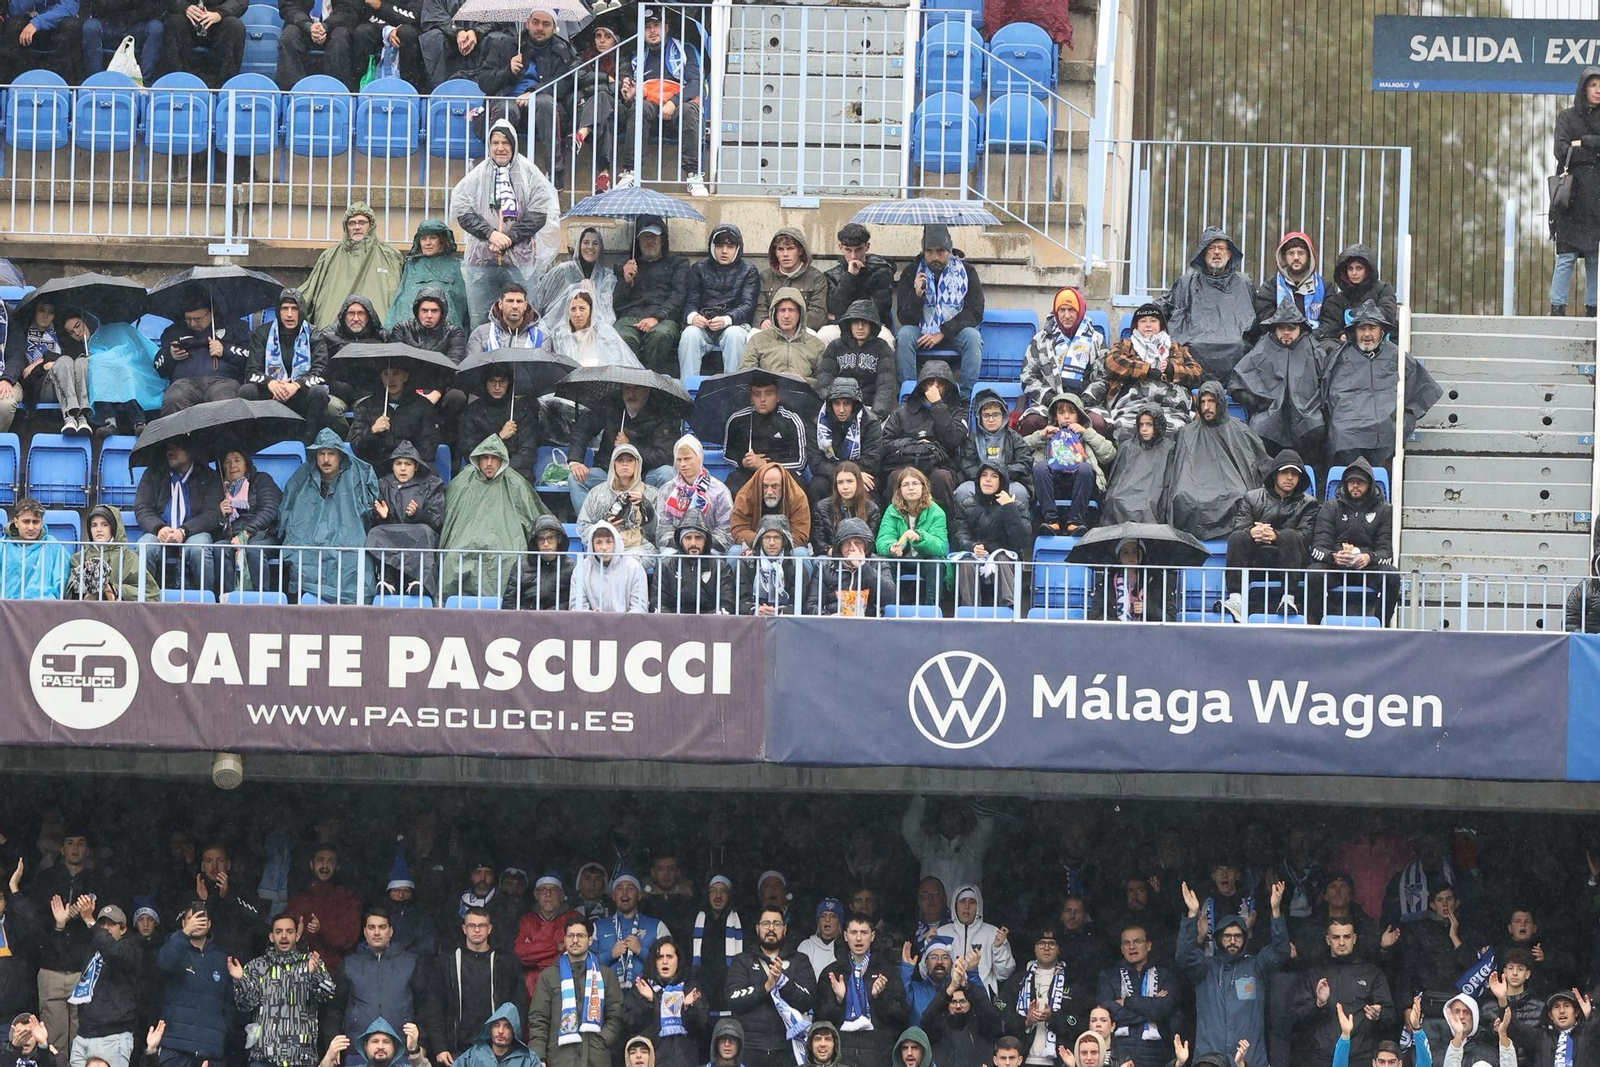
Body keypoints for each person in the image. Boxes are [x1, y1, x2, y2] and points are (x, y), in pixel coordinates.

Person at [450, 121, 562, 328]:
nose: (500, 148)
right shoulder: (478, 174)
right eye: (495, 143)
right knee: (481, 321)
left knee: (525, 319)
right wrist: (491, 234)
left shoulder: (529, 173)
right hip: (482, 261)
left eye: (505, 143)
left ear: (514, 145)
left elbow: (540, 213)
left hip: (521, 262)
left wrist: (509, 239)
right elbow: (462, 210)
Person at [1319, 301, 1442, 470]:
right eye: (1362, 329)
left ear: (1381, 331)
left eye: (1372, 328)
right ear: (1354, 332)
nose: (1367, 334)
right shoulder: (1339, 358)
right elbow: (1325, 396)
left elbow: (1424, 390)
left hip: (1385, 436)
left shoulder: (1397, 356)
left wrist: (1405, 420)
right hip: (1346, 438)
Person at [1176, 881, 1288, 1067]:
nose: (1232, 941)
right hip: (1210, 1059)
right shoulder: (1205, 968)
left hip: (1249, 1058)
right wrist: (1191, 915)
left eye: (1238, 936)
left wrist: (1275, 911)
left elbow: (1280, 951)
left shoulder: (1256, 966)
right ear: (1219, 938)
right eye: (1227, 936)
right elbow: (1184, 956)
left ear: (1245, 939)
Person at [279, 428, 379, 605]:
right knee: (300, 556)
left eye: (331, 454)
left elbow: (369, 511)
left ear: (340, 456)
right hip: (309, 539)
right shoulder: (303, 476)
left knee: (354, 561)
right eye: (321, 454)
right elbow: (289, 510)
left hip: (349, 538)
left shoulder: (358, 474)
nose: (326, 459)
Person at [478, 5, 577, 183]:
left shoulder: (561, 50)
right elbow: (484, 82)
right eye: (536, 22)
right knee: (506, 109)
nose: (540, 28)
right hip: (508, 102)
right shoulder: (506, 45)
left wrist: (534, 91)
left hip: (542, 108)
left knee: (546, 103)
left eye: (546, 24)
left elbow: (565, 83)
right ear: (527, 23)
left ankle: (555, 172)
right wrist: (507, 70)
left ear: (554, 28)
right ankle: (499, 172)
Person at [439, 435, 546, 599]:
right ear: (477, 460)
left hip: (507, 542)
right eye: (485, 458)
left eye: (494, 458)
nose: (489, 463)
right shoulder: (461, 482)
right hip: (464, 541)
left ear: (502, 460)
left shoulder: (516, 484)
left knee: (511, 558)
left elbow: (536, 518)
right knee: (453, 558)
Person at [1160, 382, 1269, 542]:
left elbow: (1257, 464)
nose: (1206, 407)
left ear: (1220, 403)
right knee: (1183, 496)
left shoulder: (1239, 429)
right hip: (1195, 486)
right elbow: (1181, 472)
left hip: (1233, 486)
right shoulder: (1187, 433)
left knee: (1240, 495)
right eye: (1203, 402)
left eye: (1211, 401)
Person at [1219, 450, 1318, 623]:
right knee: (1237, 537)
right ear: (1275, 475)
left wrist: (1275, 536)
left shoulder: (1309, 503)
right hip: (1257, 560)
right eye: (1285, 473)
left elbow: (1306, 537)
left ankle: (1289, 599)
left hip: (1290, 560)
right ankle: (1236, 599)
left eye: (1294, 474)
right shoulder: (1252, 497)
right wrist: (1251, 532)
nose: (1290, 478)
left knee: (1290, 535)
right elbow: (1239, 527)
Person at [616, 7, 706, 195]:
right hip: (650, 111)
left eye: (657, 25)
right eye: (648, 27)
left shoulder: (685, 49)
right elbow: (630, 93)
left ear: (666, 28)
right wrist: (630, 96)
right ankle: (630, 173)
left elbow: (695, 83)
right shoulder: (636, 55)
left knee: (689, 110)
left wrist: (673, 102)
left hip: (678, 110)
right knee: (639, 107)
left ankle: (693, 175)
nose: (653, 31)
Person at [231, 914, 337, 1067]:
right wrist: (241, 980)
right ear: (271, 936)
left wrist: (315, 974)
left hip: (301, 1058)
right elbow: (245, 1006)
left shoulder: (311, 963)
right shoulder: (256, 966)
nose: (284, 936)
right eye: (279, 931)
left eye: (289, 931)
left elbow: (328, 995)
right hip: (263, 1058)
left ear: (297, 935)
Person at [1081, 304, 1203, 437]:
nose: (1148, 325)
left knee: (1178, 430)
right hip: (1131, 405)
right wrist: (1146, 370)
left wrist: (1173, 369)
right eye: (1143, 321)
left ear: (1161, 325)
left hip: (1171, 407)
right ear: (1136, 326)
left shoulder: (1176, 348)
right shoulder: (1125, 345)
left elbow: (1197, 373)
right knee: (1123, 428)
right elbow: (1112, 362)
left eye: (1153, 321)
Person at [421, 907, 528, 1056]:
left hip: (497, 1048)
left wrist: (513, 1043)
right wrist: (440, 1047)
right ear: (464, 929)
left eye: (481, 925)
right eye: (472, 926)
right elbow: (435, 1008)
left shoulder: (507, 962)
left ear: (489, 929)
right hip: (456, 1050)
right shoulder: (446, 963)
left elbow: (519, 1006)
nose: (477, 930)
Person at [1228, 300, 1326, 461]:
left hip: (1308, 425)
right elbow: (1237, 384)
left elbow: (1326, 384)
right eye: (1282, 327)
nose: (1286, 332)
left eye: (1291, 328)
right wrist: (1258, 404)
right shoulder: (1262, 348)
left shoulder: (1314, 350)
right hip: (1268, 424)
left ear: (1300, 328)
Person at [1306, 459, 1400, 626]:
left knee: (1391, 575)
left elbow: (1387, 551)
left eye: (1360, 482)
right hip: (1336, 567)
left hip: (1369, 569)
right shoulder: (1330, 507)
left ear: (1370, 485)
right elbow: (1318, 546)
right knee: (1314, 573)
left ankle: (1382, 625)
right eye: (1351, 482)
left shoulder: (1384, 510)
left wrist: (1369, 557)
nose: (1355, 485)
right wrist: (1333, 557)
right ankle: (1317, 624)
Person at [894, 225, 985, 396]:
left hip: (954, 332)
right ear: (923, 251)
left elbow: (975, 312)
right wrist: (917, 295)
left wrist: (943, 332)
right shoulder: (911, 271)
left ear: (949, 250)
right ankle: (908, 394)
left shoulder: (966, 271)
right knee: (905, 335)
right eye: (929, 251)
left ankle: (966, 398)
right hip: (921, 331)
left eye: (941, 251)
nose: (935, 257)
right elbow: (904, 318)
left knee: (973, 338)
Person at [1291, 917, 1394, 1067]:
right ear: (1327, 940)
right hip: (1322, 1058)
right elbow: (1296, 1019)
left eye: (1346, 937)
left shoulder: (1372, 973)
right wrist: (1318, 1004)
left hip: (1361, 1058)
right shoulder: (1314, 974)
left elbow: (1390, 1017)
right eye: (1335, 937)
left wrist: (1378, 1014)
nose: (1341, 942)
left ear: (1354, 939)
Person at [244, 290, 341, 444]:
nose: (289, 314)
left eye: (294, 309)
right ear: (278, 311)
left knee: (319, 392)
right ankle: (252, 446)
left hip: (300, 394)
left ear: (301, 311)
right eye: (285, 308)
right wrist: (271, 382)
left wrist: (297, 385)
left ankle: (307, 446)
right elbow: (251, 371)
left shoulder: (314, 334)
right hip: (271, 394)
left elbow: (322, 372)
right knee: (247, 391)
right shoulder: (262, 333)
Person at [1161, 227, 1256, 383]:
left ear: (1229, 254)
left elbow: (1253, 320)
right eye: (1211, 248)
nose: (1216, 252)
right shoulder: (1187, 282)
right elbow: (1166, 305)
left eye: (1221, 248)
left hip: (1235, 344)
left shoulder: (1244, 283)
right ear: (1203, 253)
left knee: (1241, 347)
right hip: (1195, 343)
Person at [527, 916, 623, 1067]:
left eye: (581, 935)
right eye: (570, 935)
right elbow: (539, 1020)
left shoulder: (606, 975)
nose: (575, 940)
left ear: (590, 940)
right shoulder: (549, 976)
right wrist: (539, 1057)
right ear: (564, 940)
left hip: (596, 1058)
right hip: (559, 1059)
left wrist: (602, 1039)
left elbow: (616, 1015)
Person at [724, 907, 815, 1067]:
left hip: (788, 1050)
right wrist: (765, 987)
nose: (771, 928)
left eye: (777, 924)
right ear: (757, 928)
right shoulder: (742, 960)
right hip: (749, 1050)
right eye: (766, 923)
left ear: (785, 929)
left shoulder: (799, 960)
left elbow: (808, 1000)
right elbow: (733, 1000)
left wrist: (783, 982)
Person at [566, 382, 678, 511]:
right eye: (627, 389)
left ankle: (658, 525)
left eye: (637, 388)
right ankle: (590, 527)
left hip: (644, 475)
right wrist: (575, 461)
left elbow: (665, 455)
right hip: (609, 473)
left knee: (668, 474)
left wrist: (630, 446)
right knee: (575, 478)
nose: (631, 394)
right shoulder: (611, 403)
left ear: (647, 390)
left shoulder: (660, 411)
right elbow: (582, 429)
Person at [814, 914, 907, 1067]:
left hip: (878, 1058)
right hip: (841, 1059)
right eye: (853, 932)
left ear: (872, 936)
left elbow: (901, 1017)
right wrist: (840, 1001)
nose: (858, 938)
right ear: (845, 936)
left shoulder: (887, 972)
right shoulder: (832, 973)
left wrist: (880, 998)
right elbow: (821, 1021)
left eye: (863, 933)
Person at [133, 438, 223, 592]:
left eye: (177, 446)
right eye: (168, 447)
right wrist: (159, 528)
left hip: (194, 533)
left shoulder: (209, 476)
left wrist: (184, 531)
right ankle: (142, 599)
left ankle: (206, 603)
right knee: (145, 546)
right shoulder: (153, 473)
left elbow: (212, 514)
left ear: (191, 451)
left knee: (198, 549)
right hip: (160, 533)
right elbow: (142, 508)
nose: (171, 451)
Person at [1025, 392, 1115, 537]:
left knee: (1085, 468)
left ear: (1079, 416)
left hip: (1082, 485)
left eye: (1071, 412)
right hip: (1054, 485)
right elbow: (1019, 449)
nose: (1066, 416)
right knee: (1040, 467)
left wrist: (1087, 433)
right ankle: (1051, 521)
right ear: (1055, 416)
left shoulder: (1087, 434)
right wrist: (1040, 436)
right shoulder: (1047, 434)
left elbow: (1109, 454)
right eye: (1061, 412)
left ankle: (1076, 522)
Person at [881, 361, 967, 510]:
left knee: (942, 477)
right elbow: (885, 443)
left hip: (940, 466)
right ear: (922, 385)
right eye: (929, 382)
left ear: (947, 386)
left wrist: (937, 405)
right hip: (906, 464)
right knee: (896, 477)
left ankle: (944, 528)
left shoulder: (957, 411)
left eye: (940, 383)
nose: (934, 387)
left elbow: (954, 440)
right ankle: (894, 527)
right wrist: (916, 445)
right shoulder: (902, 412)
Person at [302, 206, 405, 330]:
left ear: (371, 225)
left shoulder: (390, 255)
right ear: (346, 227)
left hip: (379, 336)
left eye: (362, 222)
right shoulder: (330, 256)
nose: (357, 227)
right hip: (334, 333)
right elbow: (310, 289)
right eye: (352, 223)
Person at [678, 226, 761, 379]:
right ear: (712, 247)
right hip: (704, 325)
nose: (724, 251)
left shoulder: (749, 270)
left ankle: (734, 390)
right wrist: (693, 317)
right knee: (690, 334)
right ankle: (687, 390)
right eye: (720, 246)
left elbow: (748, 304)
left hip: (735, 324)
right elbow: (690, 302)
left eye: (730, 247)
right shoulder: (698, 269)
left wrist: (727, 319)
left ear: (737, 249)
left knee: (734, 335)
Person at [156, 904, 234, 1067]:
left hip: (209, 1049)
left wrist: (222, 1029)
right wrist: (184, 934)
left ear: (210, 923)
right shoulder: (173, 946)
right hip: (176, 1047)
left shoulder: (221, 958)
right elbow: (165, 963)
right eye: (192, 919)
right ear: (183, 923)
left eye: (201, 918)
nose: (197, 923)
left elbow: (229, 1004)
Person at [1020, 288, 1104, 432]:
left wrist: (1083, 401)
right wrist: (1050, 399)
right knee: (1031, 422)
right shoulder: (1041, 340)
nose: (1066, 315)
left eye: (1071, 310)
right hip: (1049, 403)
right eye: (1062, 310)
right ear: (1056, 312)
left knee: (1098, 423)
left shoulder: (1096, 339)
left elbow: (1104, 378)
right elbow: (1027, 376)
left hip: (1085, 403)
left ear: (1079, 312)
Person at [613, 217, 689, 373]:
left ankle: (649, 383)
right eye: (645, 236)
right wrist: (626, 280)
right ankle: (629, 383)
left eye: (654, 236)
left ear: (662, 239)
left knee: (660, 335)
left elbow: (678, 296)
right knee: (621, 335)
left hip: (663, 319)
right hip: (631, 317)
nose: (650, 241)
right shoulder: (627, 265)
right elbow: (617, 303)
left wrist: (657, 317)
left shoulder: (678, 264)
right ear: (638, 241)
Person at [66, 903, 138, 1067]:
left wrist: (91, 922)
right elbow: (65, 958)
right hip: (84, 1034)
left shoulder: (131, 947)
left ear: (123, 929)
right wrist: (61, 924)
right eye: (102, 924)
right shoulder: (92, 949)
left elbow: (113, 952)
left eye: (111, 924)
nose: (105, 928)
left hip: (113, 1036)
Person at [0, 300, 88, 434]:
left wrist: (46, 361)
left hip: (64, 378)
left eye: (50, 312)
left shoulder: (63, 334)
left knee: (68, 363)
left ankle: (78, 416)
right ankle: (72, 415)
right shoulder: (22, 331)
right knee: (63, 362)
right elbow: (24, 373)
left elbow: (75, 359)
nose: (45, 316)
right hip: (37, 386)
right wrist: (44, 365)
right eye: (41, 310)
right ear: (34, 312)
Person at [1097, 925, 1180, 1067]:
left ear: (1148, 945)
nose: (1131, 946)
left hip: (1157, 1057)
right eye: (1126, 943)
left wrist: (1128, 1002)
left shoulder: (1166, 975)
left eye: (1137, 941)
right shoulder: (1108, 976)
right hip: (1120, 1056)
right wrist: (1152, 1008)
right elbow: (1108, 1014)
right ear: (1121, 949)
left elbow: (1167, 1009)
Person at [68, 311, 163, 434]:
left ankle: (138, 421)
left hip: (129, 371)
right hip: (105, 375)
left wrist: (111, 358)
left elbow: (132, 351)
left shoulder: (117, 329)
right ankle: (109, 420)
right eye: (71, 332)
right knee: (97, 369)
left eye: (77, 325)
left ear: (85, 320)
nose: (77, 333)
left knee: (123, 370)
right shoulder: (80, 350)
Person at [1553, 68, 1600, 317]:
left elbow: (1573, 148)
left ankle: (1592, 309)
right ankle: (1557, 307)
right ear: (1584, 88)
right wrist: (1592, 152)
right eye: (1593, 85)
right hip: (1571, 196)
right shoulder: (1567, 117)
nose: (1598, 90)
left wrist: (1583, 142)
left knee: (1594, 255)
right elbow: (1561, 151)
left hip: (1597, 197)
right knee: (1567, 254)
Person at [951, 461, 1029, 611]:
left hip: (1006, 557)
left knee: (1001, 558)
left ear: (1002, 481)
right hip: (977, 555)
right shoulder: (967, 504)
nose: (987, 480)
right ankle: (969, 611)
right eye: (984, 475)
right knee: (966, 560)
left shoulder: (1016, 505)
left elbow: (1021, 540)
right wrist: (972, 546)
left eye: (994, 476)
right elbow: (960, 534)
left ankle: (1009, 609)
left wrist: (1009, 508)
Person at [153, 296, 249, 415]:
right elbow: (158, 367)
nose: (192, 323)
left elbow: (250, 359)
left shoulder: (235, 327)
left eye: (198, 319)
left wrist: (225, 350)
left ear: (211, 312)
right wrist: (170, 356)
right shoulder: (173, 331)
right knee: (173, 399)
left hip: (224, 382)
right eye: (188, 319)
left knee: (225, 402)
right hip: (184, 383)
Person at [622, 938, 707, 1067]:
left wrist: (687, 1008)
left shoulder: (690, 988)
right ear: (654, 962)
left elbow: (701, 1029)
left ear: (678, 960)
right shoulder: (642, 987)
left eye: (669, 956)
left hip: (684, 1062)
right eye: (660, 957)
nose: (665, 961)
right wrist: (648, 1002)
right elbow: (631, 1025)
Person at [876, 466, 950, 607]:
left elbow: (941, 547)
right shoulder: (891, 511)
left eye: (915, 483)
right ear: (899, 490)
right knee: (883, 561)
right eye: (906, 484)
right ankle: (887, 607)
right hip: (900, 560)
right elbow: (882, 540)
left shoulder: (936, 512)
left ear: (924, 487)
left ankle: (932, 609)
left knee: (936, 563)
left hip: (924, 560)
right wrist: (891, 547)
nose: (911, 488)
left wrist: (920, 537)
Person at [723, 376, 807, 497]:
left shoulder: (791, 420)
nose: (762, 399)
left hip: (783, 473)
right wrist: (743, 461)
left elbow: (800, 461)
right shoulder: (737, 420)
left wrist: (767, 465)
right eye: (757, 394)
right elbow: (727, 453)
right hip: (748, 473)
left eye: (768, 393)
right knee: (732, 486)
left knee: (799, 486)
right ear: (751, 398)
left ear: (778, 396)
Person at [285, 846, 363, 976]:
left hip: (336, 972)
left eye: (331, 861)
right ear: (311, 864)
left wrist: (322, 929)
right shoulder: (299, 898)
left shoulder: (347, 898)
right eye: (320, 860)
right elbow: (283, 933)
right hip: (300, 971)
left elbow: (350, 937)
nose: (325, 866)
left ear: (337, 867)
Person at [349, 361, 443, 468]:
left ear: (405, 376)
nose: (391, 379)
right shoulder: (365, 407)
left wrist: (401, 460)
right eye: (386, 374)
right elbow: (357, 448)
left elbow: (429, 448)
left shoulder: (424, 406)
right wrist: (372, 431)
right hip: (377, 470)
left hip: (411, 469)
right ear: (381, 377)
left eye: (396, 374)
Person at [815, 300, 897, 420]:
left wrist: (876, 415)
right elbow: (824, 379)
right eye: (855, 323)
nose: (860, 327)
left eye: (865, 323)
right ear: (848, 324)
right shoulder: (836, 346)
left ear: (872, 325)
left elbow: (886, 385)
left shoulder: (882, 348)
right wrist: (831, 407)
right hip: (839, 408)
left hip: (870, 409)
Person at [214, 449, 282, 593]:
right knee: (220, 549)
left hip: (263, 534)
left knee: (254, 550)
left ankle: (259, 601)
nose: (232, 465)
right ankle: (228, 598)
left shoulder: (261, 480)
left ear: (247, 465)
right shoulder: (218, 487)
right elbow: (211, 518)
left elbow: (270, 509)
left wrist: (245, 534)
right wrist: (221, 514)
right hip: (232, 537)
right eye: (227, 462)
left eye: (237, 460)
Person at [577, 443, 658, 555]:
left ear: (637, 464)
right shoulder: (596, 493)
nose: (625, 464)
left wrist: (647, 508)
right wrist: (604, 527)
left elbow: (659, 532)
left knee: (630, 561)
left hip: (640, 549)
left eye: (630, 460)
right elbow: (583, 527)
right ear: (613, 464)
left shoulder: (651, 493)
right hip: (604, 549)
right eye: (620, 460)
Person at [916, 961, 1002, 1067]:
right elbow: (925, 1020)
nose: (958, 1006)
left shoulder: (982, 1026)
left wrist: (967, 986)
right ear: (946, 1004)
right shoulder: (938, 1029)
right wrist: (950, 989)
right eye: (953, 1002)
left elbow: (992, 1016)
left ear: (970, 1003)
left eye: (963, 1001)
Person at [809, 379, 884, 502]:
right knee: (817, 486)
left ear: (855, 405)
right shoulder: (817, 423)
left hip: (861, 473)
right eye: (837, 404)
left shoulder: (870, 422)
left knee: (869, 486)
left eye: (846, 404)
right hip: (831, 474)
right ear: (830, 404)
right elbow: (816, 461)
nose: (841, 410)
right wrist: (841, 474)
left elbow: (871, 461)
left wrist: (852, 476)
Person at [66, 504, 159, 602]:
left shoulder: (130, 558)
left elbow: (150, 593)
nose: (98, 529)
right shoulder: (78, 558)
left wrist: (115, 589)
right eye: (94, 525)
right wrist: (86, 590)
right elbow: (70, 592)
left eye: (104, 524)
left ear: (114, 528)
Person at [821, 224, 896, 345]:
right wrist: (850, 276)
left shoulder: (882, 271)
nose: (853, 256)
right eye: (848, 250)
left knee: (886, 340)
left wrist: (843, 315)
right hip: (841, 326)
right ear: (840, 247)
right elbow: (835, 307)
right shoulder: (832, 275)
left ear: (867, 246)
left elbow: (880, 309)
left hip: (873, 326)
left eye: (858, 249)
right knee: (823, 336)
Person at [458, 365, 538, 477]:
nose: (497, 387)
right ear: (485, 383)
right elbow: (469, 451)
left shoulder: (521, 411)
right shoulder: (472, 412)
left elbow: (528, 453)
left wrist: (503, 468)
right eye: (492, 381)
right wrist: (499, 437)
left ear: (509, 383)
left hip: (515, 472)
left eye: (502, 381)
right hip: (481, 472)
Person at [657, 434, 733, 553]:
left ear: (699, 458)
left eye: (687, 459)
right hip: (676, 546)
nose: (682, 464)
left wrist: (702, 545)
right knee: (667, 556)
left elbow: (725, 528)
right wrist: (682, 544)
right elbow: (663, 528)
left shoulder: (719, 490)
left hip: (710, 547)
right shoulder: (667, 490)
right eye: (679, 460)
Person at [956, 390, 1031, 510]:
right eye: (986, 415)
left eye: (995, 414)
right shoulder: (973, 439)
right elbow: (967, 464)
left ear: (1004, 416)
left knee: (1020, 492)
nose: (991, 419)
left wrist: (1001, 475)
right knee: (962, 491)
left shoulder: (1014, 437)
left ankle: (1018, 527)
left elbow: (1025, 462)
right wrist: (983, 477)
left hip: (1008, 481)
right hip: (979, 481)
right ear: (980, 418)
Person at [391, 223, 471, 334]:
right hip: (412, 329)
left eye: (432, 238)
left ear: (442, 241)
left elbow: (461, 299)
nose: (427, 243)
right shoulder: (411, 265)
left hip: (446, 329)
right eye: (423, 239)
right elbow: (402, 298)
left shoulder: (457, 265)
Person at [1100, 407, 1174, 526]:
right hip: (1125, 495)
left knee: (1150, 506)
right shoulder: (1127, 447)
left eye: (1149, 425)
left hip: (1153, 496)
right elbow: (1116, 481)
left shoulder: (1169, 449)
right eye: (1141, 425)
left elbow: (1168, 482)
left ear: (1158, 425)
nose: (1144, 429)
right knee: (1114, 500)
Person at [1249, 232, 1326, 341]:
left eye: (1301, 253)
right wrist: (1289, 333)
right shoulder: (1271, 286)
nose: (1296, 257)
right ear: (1283, 257)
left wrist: (1308, 336)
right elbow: (1266, 318)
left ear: (1309, 257)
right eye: (1291, 253)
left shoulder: (1324, 286)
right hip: (1280, 339)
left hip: (1316, 340)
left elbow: (1330, 321)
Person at [1316, 246, 1400, 344]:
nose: (1354, 273)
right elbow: (1332, 325)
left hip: (1383, 345)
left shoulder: (1384, 289)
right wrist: (1342, 335)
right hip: (1349, 349)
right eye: (1350, 269)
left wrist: (1354, 314)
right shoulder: (1339, 298)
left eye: (1359, 268)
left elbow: (1388, 314)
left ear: (1367, 270)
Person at [418, 0, 509, 89]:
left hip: (482, 39)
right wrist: (457, 31)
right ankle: (440, 89)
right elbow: (434, 15)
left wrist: (476, 32)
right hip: (448, 39)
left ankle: (488, 87)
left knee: (498, 39)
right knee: (432, 37)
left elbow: (500, 17)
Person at [513, 875, 577, 1000]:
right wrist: (555, 947)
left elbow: (573, 955)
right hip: (532, 986)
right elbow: (520, 953)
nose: (548, 894)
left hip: (565, 980)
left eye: (553, 889)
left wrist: (535, 954)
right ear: (536, 895)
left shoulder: (574, 918)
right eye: (543, 890)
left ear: (561, 894)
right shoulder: (527, 919)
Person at [535, 227, 617, 324]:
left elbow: (607, 313)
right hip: (560, 328)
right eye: (586, 242)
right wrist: (576, 287)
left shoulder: (606, 276)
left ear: (601, 248)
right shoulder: (563, 270)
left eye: (595, 243)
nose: (590, 247)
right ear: (579, 245)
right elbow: (541, 301)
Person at [756, 230, 828, 335]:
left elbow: (818, 313)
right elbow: (759, 307)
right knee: (752, 336)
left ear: (800, 251)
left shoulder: (816, 278)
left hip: (803, 329)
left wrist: (791, 323)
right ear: (775, 252)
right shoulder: (765, 277)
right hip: (771, 329)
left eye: (790, 248)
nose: (785, 254)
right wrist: (763, 321)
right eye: (780, 249)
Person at [548, 285, 638, 370]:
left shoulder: (605, 333)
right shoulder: (561, 336)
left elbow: (620, 364)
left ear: (591, 310)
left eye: (582, 308)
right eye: (573, 309)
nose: (577, 314)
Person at [465, 284, 548, 375]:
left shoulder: (541, 337)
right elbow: (472, 369)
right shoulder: (481, 333)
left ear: (525, 306)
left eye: (519, 301)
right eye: (510, 301)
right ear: (500, 304)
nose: (515, 306)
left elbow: (542, 372)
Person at [1086, 538, 1175, 623]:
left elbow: (1170, 618)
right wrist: (1119, 624)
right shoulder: (1106, 583)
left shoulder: (1158, 582)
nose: (1131, 556)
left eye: (1135, 551)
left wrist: (1147, 608)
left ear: (1142, 554)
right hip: (1115, 635)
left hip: (1149, 635)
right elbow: (1095, 616)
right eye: (1125, 552)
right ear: (1119, 557)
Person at [657, 512, 731, 613]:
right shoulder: (666, 566)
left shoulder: (721, 567)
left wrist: (702, 623)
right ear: (680, 541)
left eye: (698, 538)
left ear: (706, 540)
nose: (693, 543)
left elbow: (727, 604)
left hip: (711, 625)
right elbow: (659, 603)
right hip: (674, 624)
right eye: (688, 538)